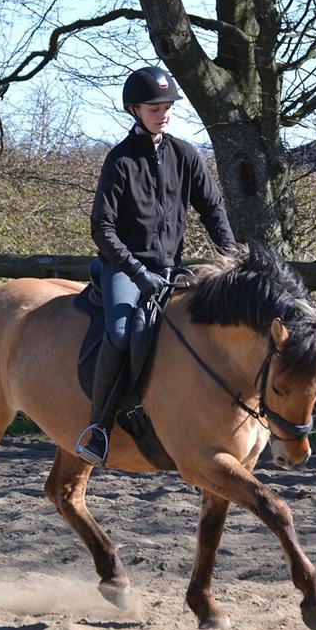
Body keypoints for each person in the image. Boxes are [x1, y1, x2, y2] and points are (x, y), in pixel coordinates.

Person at [74, 65, 237, 467]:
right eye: (154, 107)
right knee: (120, 332)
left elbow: (212, 208)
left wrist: (232, 258)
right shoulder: (120, 160)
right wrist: (135, 271)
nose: (163, 113)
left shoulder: (186, 155)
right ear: (134, 109)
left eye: (167, 106)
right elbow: (102, 227)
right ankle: (98, 426)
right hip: (123, 269)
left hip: (171, 267)